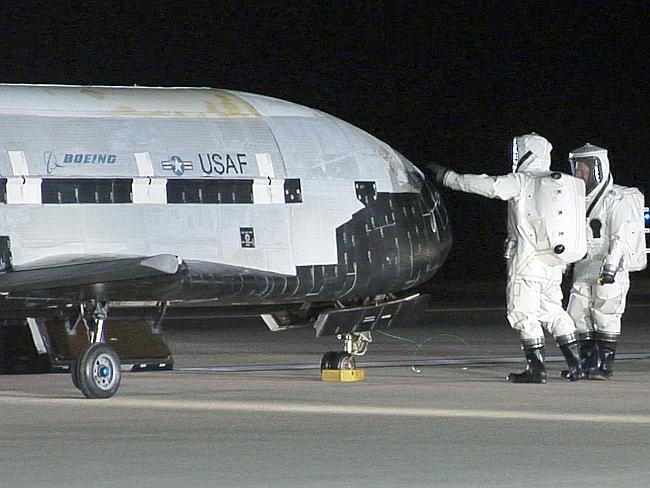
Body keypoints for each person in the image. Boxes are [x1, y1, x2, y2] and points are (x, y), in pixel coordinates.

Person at [428, 133, 586, 383]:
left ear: (524, 152)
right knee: (553, 311)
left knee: (522, 313)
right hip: (553, 265)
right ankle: (577, 365)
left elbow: (489, 186)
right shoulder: (554, 184)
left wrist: (449, 178)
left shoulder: (522, 181)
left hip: (526, 262)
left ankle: (536, 370)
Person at [566, 143, 647, 379]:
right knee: (577, 313)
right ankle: (588, 362)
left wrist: (610, 268)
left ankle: (604, 365)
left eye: (583, 169)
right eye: (576, 168)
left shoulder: (616, 199)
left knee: (606, 313)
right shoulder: (577, 199)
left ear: (597, 168)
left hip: (608, 265)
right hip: (584, 265)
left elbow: (620, 236)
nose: (579, 173)